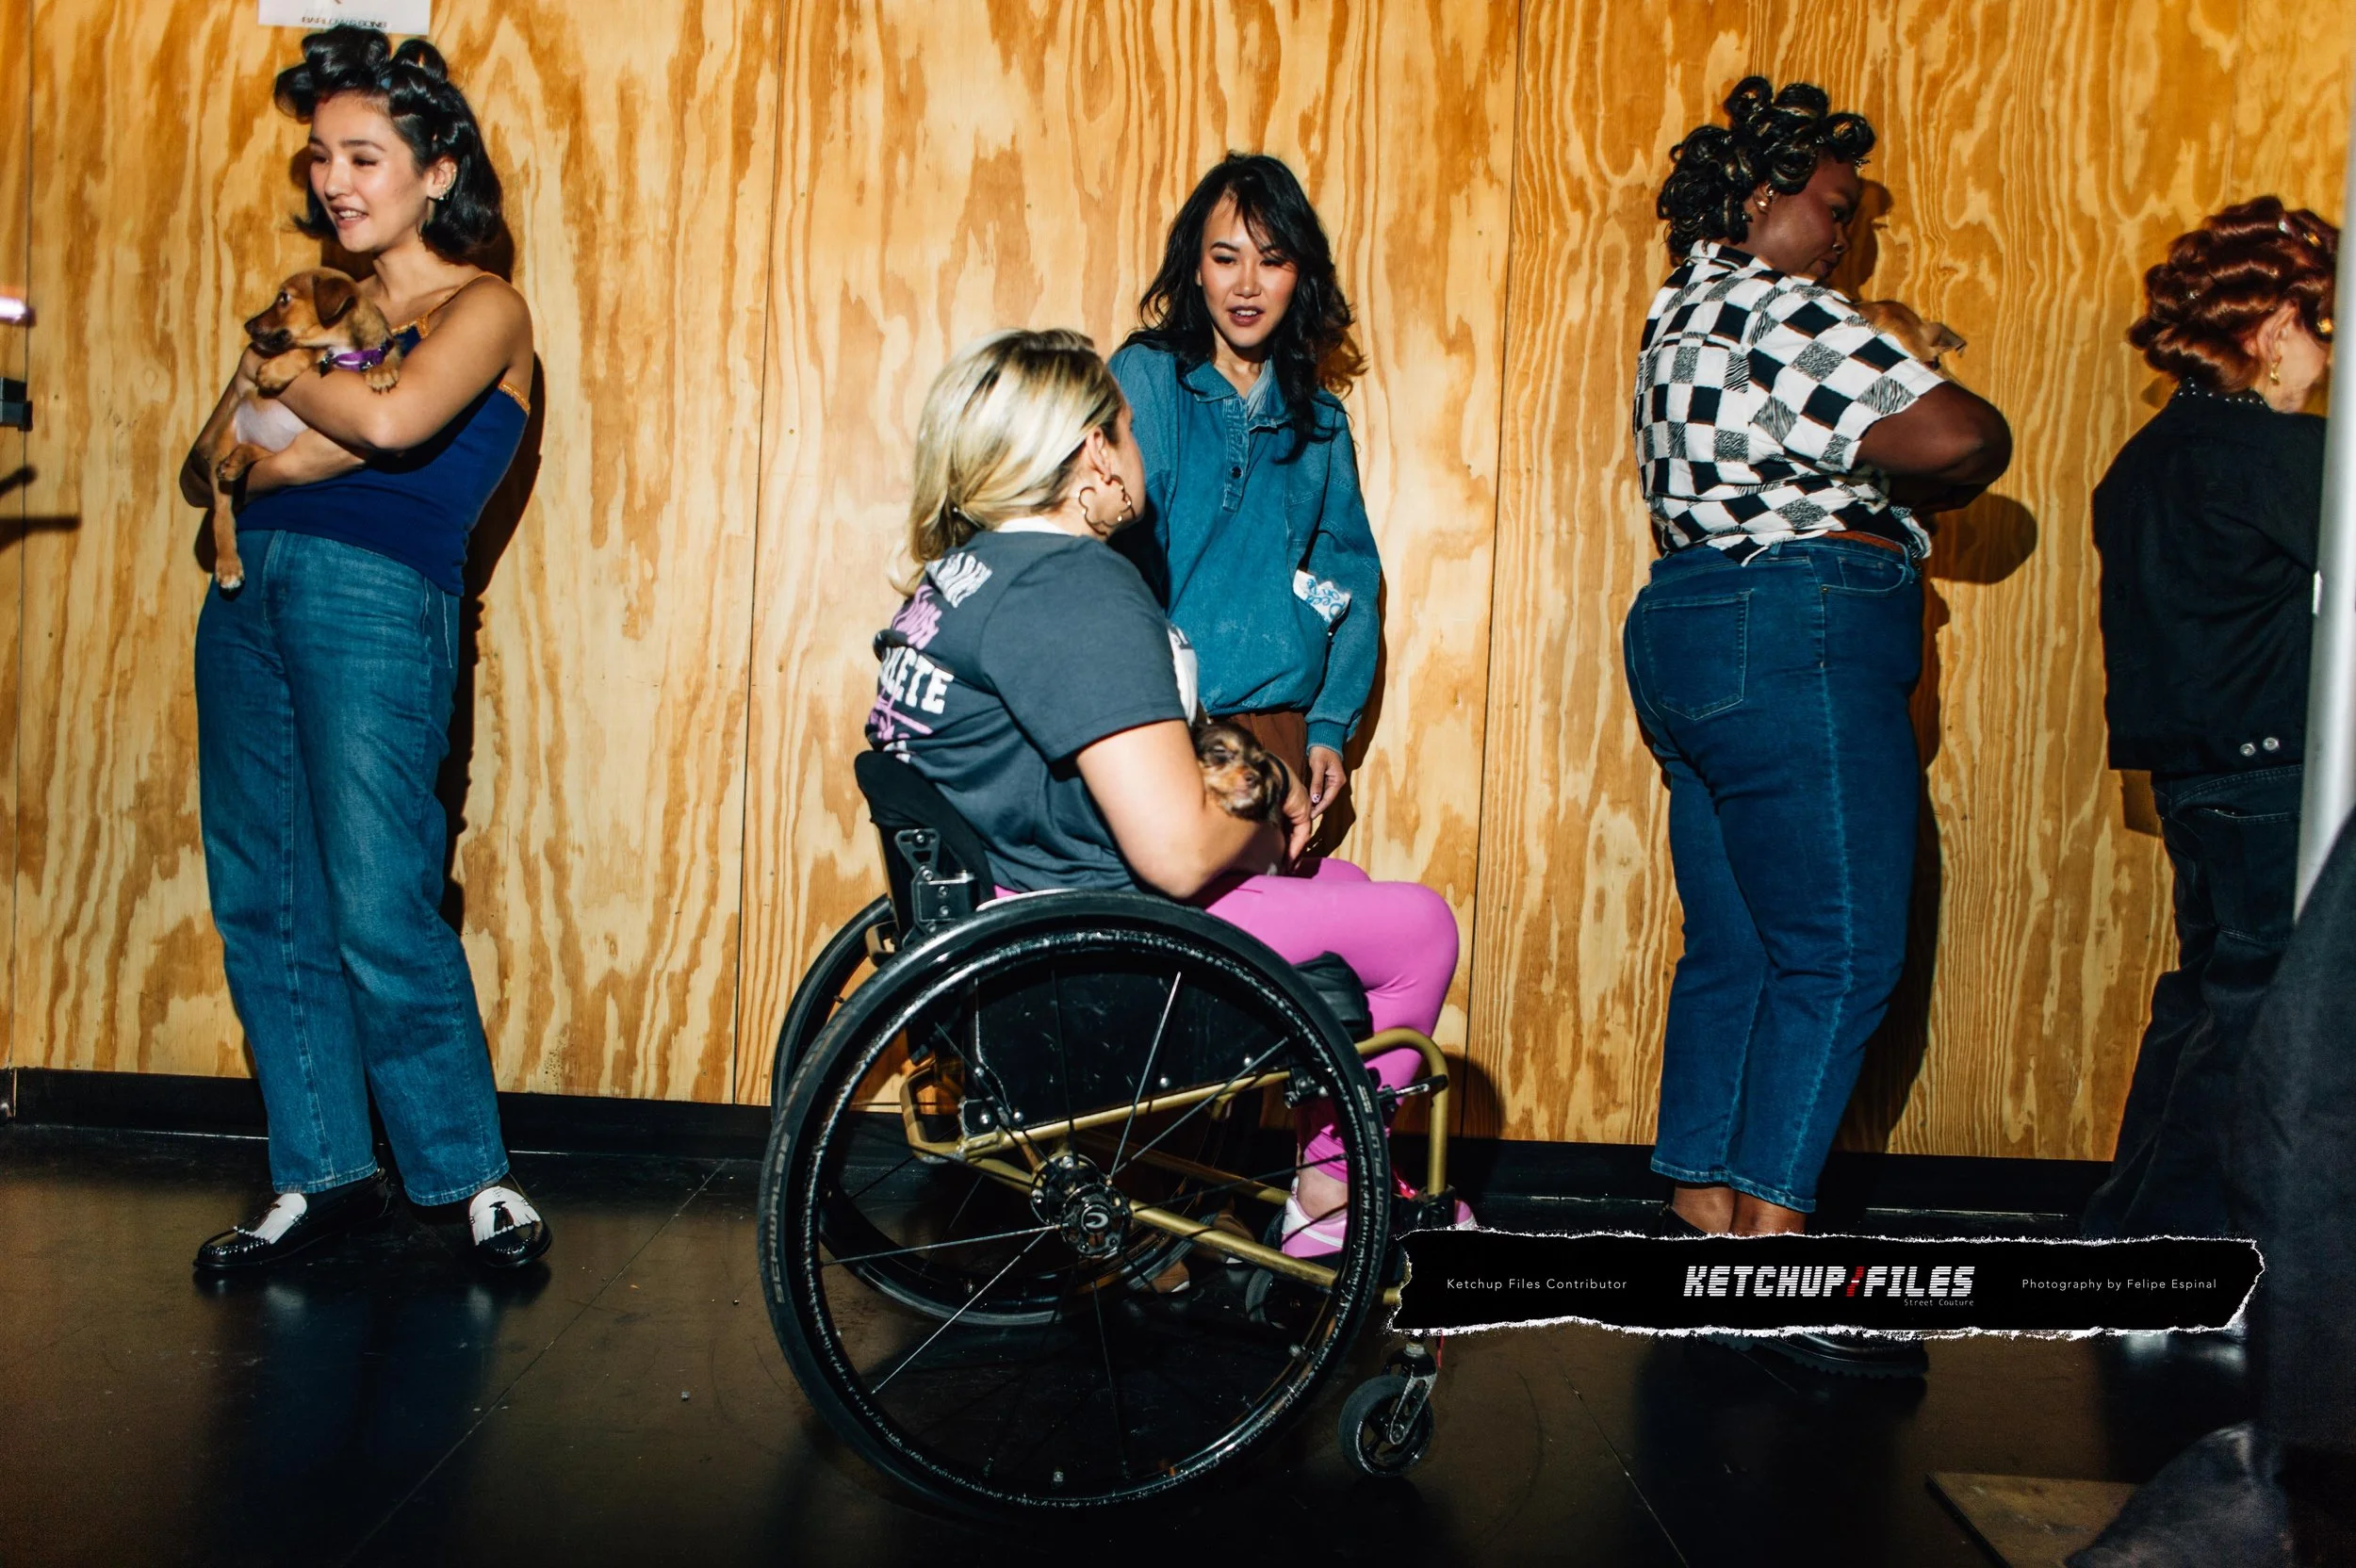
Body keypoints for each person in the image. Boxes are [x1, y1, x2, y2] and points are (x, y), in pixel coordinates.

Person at [866, 328, 1465, 1256]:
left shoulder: (959, 579)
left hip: (1007, 918)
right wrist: (1262, 806)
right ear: (1096, 450)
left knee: (1341, 889)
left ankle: (1329, 1165)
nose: (1140, 450)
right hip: (1088, 948)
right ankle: (1332, 1192)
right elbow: (1177, 854)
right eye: (1131, 428)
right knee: (1419, 923)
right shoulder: (1075, 589)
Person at [1625, 76, 2011, 1374]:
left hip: (1683, 622)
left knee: (1733, 944)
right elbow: (1967, 436)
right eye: (1832, 210)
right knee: (1843, 955)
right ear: (1758, 196)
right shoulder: (1781, 307)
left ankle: (1700, 1218)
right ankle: (1775, 1271)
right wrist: (1917, 399)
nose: (1841, 238)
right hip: (1791, 625)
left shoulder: (1675, 313)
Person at [178, 24, 545, 1272]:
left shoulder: (483, 307)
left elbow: (390, 425)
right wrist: (285, 383)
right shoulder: (321, 313)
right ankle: (323, 1170)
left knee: (381, 900)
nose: (336, 180)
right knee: (261, 897)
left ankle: (470, 1178)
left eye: (366, 155)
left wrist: (286, 382)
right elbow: (202, 465)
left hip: (378, 598)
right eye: (322, 157)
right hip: (245, 594)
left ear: (436, 170)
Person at [2079, 198, 2336, 1240]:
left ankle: (2120, 1234)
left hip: (2192, 780)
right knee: (2258, 1015)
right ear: (2276, 328)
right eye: (2323, 329)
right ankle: (2174, 1249)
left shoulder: (2144, 459)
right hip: (2273, 777)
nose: (2328, 356)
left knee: (2201, 1001)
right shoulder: (2282, 455)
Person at [1108, 154, 1377, 836]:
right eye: (1226, 259)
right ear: (1196, 269)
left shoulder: (1320, 425)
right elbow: (1109, 560)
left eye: (1273, 259)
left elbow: (1350, 582)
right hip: (1160, 725)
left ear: (1301, 275)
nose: (1247, 284)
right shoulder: (1148, 379)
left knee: (1271, 944)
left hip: (1281, 741)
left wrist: (1328, 727)